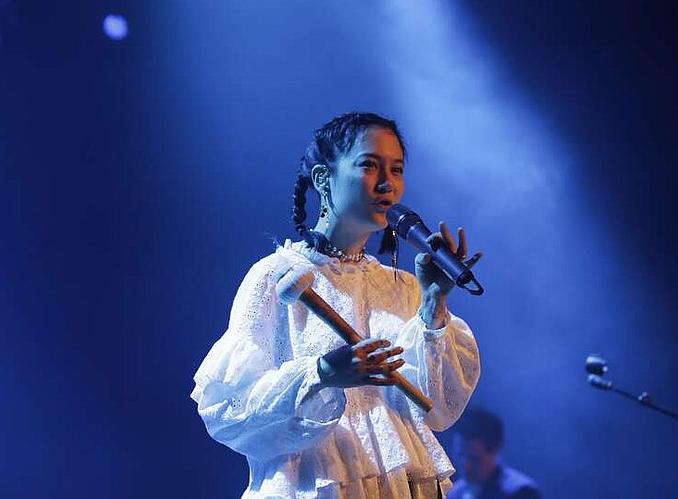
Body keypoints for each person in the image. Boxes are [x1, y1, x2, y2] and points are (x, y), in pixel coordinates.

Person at [191, 112, 482, 499]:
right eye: (369, 165)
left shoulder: (401, 286)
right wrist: (321, 374)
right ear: (323, 179)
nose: (387, 184)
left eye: (396, 170)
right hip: (314, 485)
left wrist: (433, 302)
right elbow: (226, 410)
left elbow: (438, 409)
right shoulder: (274, 276)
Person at [447, 408, 540, 499]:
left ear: (495, 451)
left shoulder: (521, 492)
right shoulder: (454, 493)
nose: (466, 465)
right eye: (459, 455)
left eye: (474, 458)